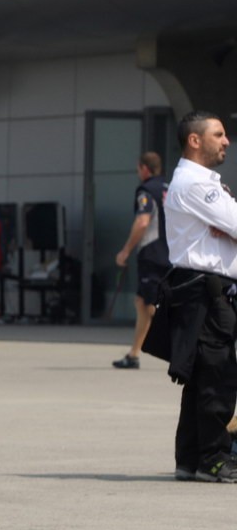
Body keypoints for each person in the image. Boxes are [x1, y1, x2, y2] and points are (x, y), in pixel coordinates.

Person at [156, 112, 235, 482]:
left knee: (201, 376)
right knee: (216, 376)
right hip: (204, 292)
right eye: (218, 134)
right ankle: (214, 459)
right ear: (195, 140)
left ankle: (189, 460)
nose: (226, 141)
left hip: (201, 289)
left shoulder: (197, 184)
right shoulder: (195, 184)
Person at [111, 152, 169, 368]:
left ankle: (136, 354)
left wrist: (125, 251)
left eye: (138, 168)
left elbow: (143, 222)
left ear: (144, 168)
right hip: (172, 253)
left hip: (152, 254)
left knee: (149, 305)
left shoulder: (146, 191)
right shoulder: (168, 188)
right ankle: (134, 352)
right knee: (144, 302)